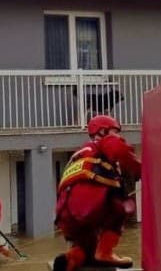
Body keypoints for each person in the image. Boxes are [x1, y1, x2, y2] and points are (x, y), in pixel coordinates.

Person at [52, 115, 142, 271]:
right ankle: (105, 252)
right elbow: (121, 151)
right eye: (115, 131)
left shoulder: (78, 154)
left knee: (87, 247)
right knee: (122, 207)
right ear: (103, 131)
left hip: (65, 217)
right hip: (88, 208)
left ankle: (72, 258)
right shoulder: (104, 142)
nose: (118, 135)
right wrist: (140, 169)